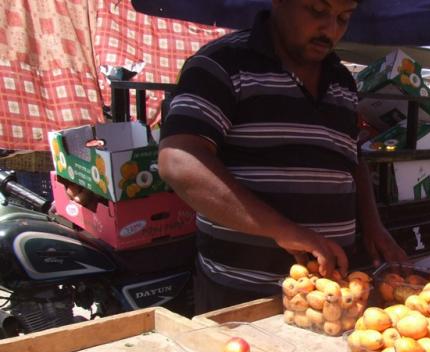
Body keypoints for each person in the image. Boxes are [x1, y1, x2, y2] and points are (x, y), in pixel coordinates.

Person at [157, 0, 406, 314]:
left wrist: (374, 226)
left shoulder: (342, 79)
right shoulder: (222, 62)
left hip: (328, 296)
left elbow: (350, 156)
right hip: (242, 296)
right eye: (317, 10)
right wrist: (285, 231)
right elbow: (179, 161)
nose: (330, 29)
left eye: (343, 17)